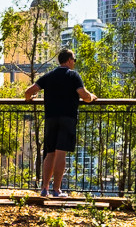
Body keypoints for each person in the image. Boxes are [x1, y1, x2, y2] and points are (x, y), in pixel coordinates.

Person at [24, 47, 96, 198]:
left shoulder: (49, 76)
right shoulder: (73, 76)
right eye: (74, 60)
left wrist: (30, 99)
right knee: (60, 154)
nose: (74, 63)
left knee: (49, 153)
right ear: (69, 60)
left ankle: (44, 189)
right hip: (67, 118)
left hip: (51, 118)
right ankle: (57, 190)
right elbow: (84, 96)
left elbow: (28, 92)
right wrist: (92, 97)